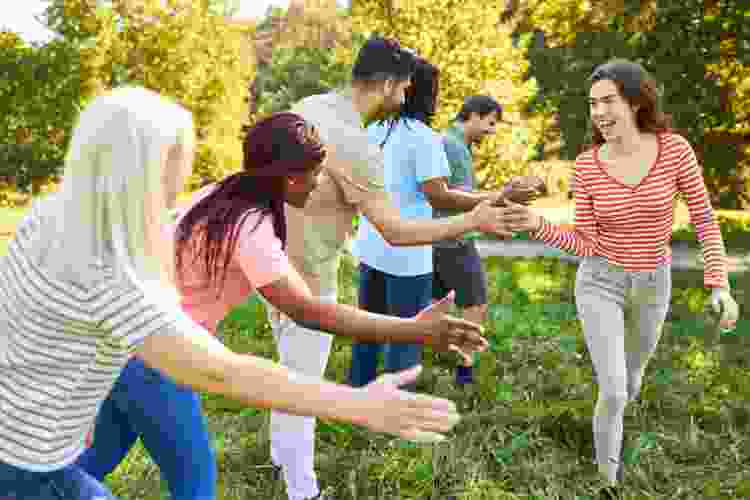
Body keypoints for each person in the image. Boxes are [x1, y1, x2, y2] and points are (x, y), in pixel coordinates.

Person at [0, 86, 466, 499]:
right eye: (316, 174)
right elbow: (300, 317)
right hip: (156, 361)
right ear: (290, 178)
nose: (322, 182)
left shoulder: (212, 195)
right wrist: (410, 334)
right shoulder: (249, 229)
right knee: (196, 481)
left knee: (91, 461)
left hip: (115, 366)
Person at [266, 36, 513, 500]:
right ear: (386, 84)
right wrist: (473, 219)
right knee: (302, 387)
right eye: (402, 89)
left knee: (286, 372)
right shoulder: (355, 143)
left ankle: (281, 456)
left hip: (273, 265)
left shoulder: (310, 106)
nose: (404, 98)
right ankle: (304, 489)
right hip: (309, 280)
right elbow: (396, 231)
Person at [502, 59, 739, 496]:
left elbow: (704, 218)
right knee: (612, 389)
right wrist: (536, 224)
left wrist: (719, 284)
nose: (599, 113)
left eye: (608, 101)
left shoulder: (674, 151)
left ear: (635, 100)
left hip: (653, 283)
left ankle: (614, 439)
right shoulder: (588, 165)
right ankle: (606, 483)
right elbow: (585, 244)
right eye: (593, 105)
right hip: (600, 282)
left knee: (630, 382)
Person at [348, 62, 530, 389]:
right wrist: (496, 198)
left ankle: (357, 394)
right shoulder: (424, 138)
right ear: (427, 95)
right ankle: (395, 410)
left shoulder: (372, 132)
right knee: (404, 337)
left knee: (368, 330)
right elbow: (439, 197)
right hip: (408, 256)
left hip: (371, 247)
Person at [431, 95, 514, 386]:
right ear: (474, 115)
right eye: (490, 123)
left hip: (437, 238)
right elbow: (458, 199)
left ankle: (428, 360)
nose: (491, 131)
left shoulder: (450, 141)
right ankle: (464, 372)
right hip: (454, 239)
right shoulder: (453, 145)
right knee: (474, 302)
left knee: (436, 303)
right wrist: (501, 199)